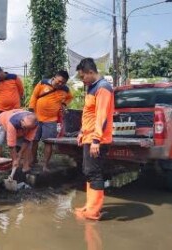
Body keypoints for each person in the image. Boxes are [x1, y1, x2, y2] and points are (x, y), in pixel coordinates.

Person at [74, 58, 114, 220]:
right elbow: (88, 113)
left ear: (91, 72)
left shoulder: (103, 88)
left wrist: (96, 140)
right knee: (88, 171)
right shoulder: (92, 87)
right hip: (88, 136)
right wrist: (81, 132)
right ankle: (90, 206)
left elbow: (102, 116)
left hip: (97, 139)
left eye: (83, 76)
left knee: (94, 172)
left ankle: (94, 211)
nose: (82, 80)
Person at [28, 70, 73, 172]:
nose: (60, 84)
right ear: (54, 77)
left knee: (48, 143)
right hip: (36, 118)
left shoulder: (65, 90)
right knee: (33, 141)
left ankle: (45, 165)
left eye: (63, 83)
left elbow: (70, 97)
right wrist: (32, 113)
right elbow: (34, 96)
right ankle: (32, 161)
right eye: (59, 81)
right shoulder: (42, 83)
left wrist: (64, 104)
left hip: (51, 120)